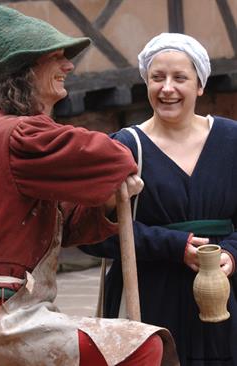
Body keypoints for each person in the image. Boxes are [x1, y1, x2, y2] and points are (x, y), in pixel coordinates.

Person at [0, 7, 180, 366]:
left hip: (16, 307)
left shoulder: (14, 138)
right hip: (6, 313)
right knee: (143, 347)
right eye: (56, 57)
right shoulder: (20, 134)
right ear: (25, 70)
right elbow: (113, 157)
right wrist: (121, 165)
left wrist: (108, 201)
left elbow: (66, 227)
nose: (69, 66)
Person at [81, 32, 237, 365]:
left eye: (180, 77)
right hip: (150, 299)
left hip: (228, 297)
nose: (167, 88)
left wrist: (233, 255)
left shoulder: (232, 140)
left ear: (200, 85)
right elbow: (88, 233)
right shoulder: (123, 148)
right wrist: (173, 245)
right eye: (157, 77)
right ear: (146, 83)